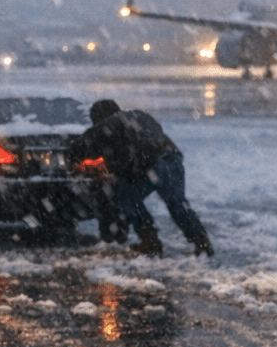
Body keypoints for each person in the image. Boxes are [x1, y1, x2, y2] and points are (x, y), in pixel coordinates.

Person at [70, 99, 212, 257]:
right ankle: (201, 241)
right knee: (175, 203)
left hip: (155, 164)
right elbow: (142, 141)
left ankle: (150, 240)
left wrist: (73, 159)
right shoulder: (137, 116)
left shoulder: (108, 124)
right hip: (171, 158)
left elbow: (84, 144)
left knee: (129, 195)